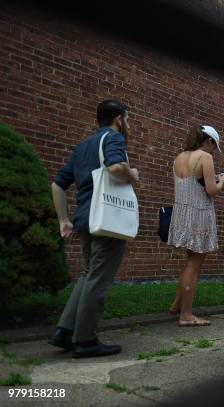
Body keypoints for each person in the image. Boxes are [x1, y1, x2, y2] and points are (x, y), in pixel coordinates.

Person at [48, 100, 138, 358]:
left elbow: (57, 185)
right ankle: (85, 340)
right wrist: (133, 174)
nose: (128, 126)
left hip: (84, 218)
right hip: (107, 220)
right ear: (119, 119)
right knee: (98, 278)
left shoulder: (82, 146)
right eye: (128, 120)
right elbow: (116, 168)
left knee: (89, 273)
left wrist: (63, 220)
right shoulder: (114, 137)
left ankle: (64, 331)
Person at [167, 124, 224, 326]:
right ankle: (186, 315)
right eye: (214, 146)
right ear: (208, 141)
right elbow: (211, 190)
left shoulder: (179, 157)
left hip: (182, 213)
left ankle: (176, 305)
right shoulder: (205, 157)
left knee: (189, 263)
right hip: (199, 213)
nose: (214, 152)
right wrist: (221, 182)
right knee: (194, 264)